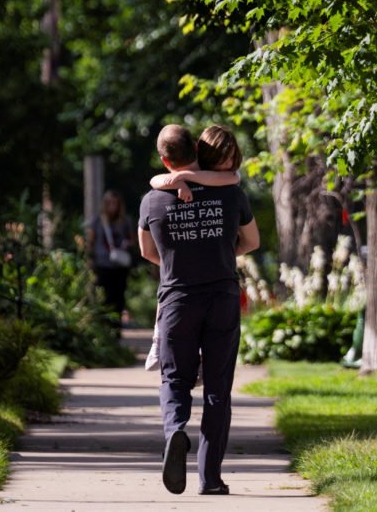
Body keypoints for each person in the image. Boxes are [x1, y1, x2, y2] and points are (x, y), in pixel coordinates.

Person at [138, 123, 259, 496]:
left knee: (175, 380)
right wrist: (220, 252)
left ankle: (176, 431)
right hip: (221, 297)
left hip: (177, 300)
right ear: (196, 148)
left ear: (163, 159)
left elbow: (147, 252)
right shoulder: (231, 192)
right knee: (218, 389)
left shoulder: (151, 201)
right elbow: (251, 242)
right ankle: (211, 478)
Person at [145, 124, 243, 371]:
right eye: (225, 157)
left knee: (170, 287)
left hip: (183, 288)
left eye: (232, 158)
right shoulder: (223, 188)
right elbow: (155, 179)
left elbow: (232, 177)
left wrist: (182, 178)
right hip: (217, 283)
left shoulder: (228, 180)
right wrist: (177, 181)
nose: (229, 163)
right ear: (198, 150)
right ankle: (161, 339)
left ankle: (163, 340)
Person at [85, 189, 134, 333]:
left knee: (118, 298)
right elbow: (91, 242)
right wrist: (90, 261)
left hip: (120, 266)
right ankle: (104, 330)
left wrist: (126, 244)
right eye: (110, 203)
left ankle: (116, 330)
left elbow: (132, 240)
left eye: (116, 203)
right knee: (103, 298)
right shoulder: (97, 221)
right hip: (102, 265)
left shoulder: (125, 221)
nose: (113, 206)